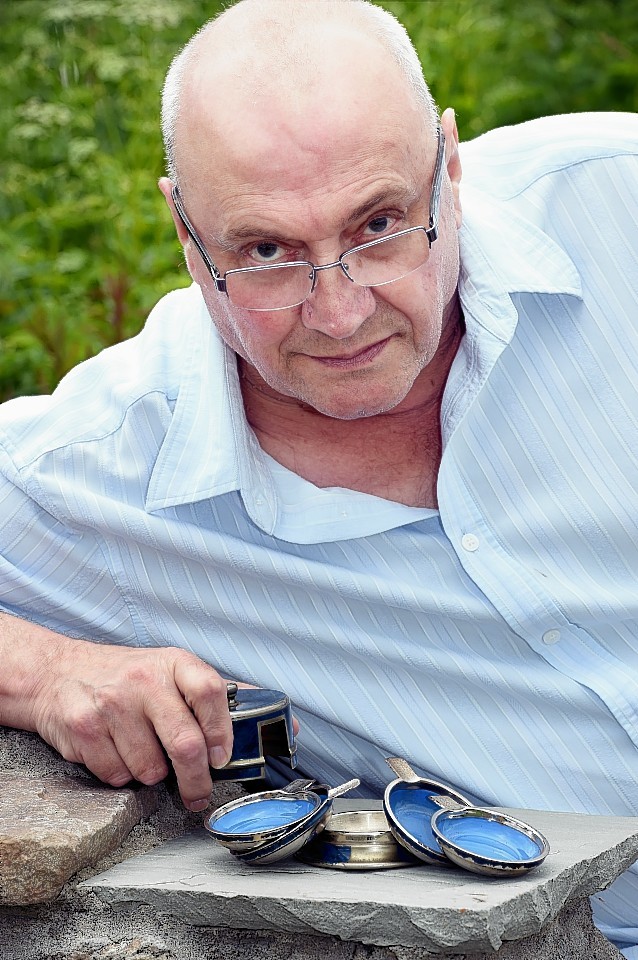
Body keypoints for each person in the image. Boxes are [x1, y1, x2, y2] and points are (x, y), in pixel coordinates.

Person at [1, 0, 637, 951]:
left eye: (380, 225)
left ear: (449, 168)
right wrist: (46, 671)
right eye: (265, 253)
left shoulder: (614, 204)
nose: (339, 313)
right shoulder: (97, 468)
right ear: (184, 228)